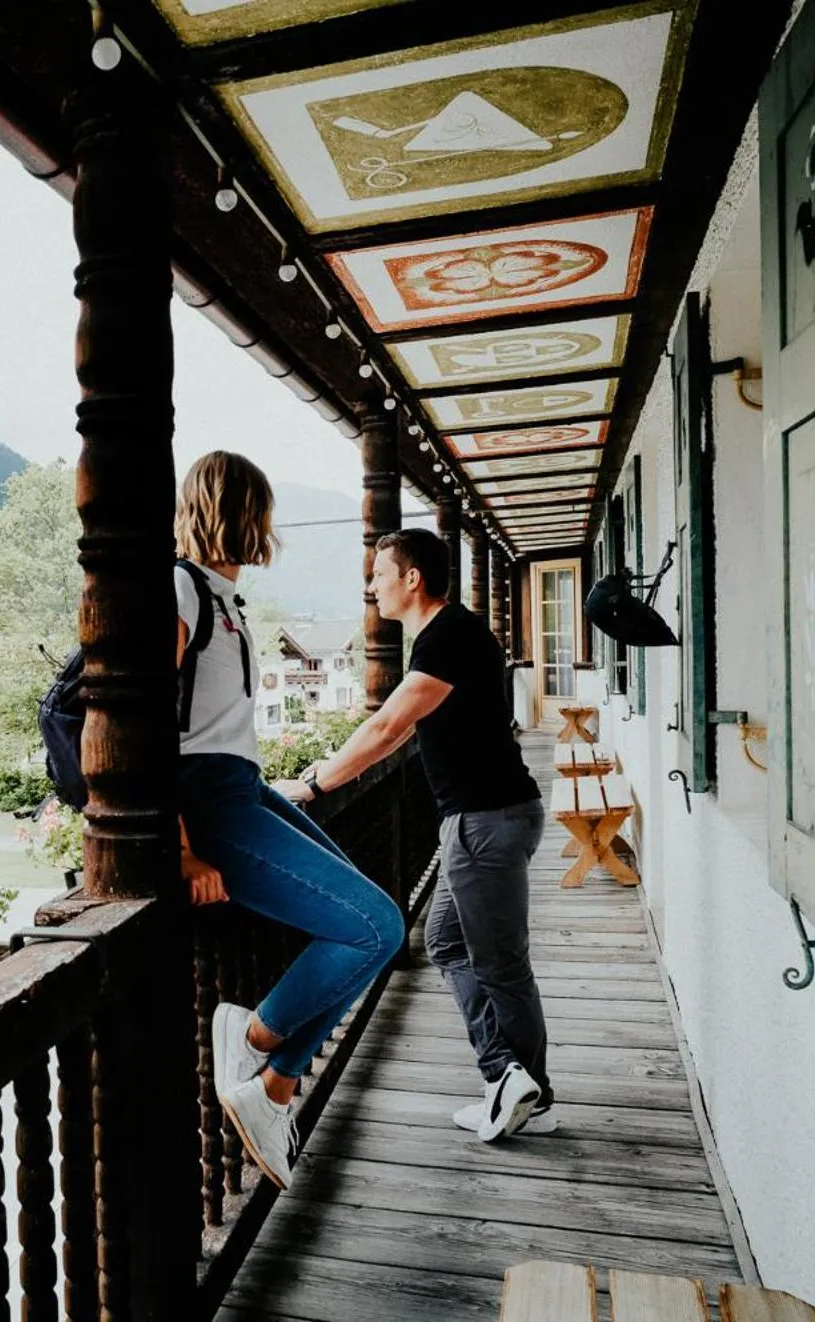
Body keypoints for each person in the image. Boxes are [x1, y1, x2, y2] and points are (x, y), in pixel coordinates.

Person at [175, 451, 405, 1191]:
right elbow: (138, 722)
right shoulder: (177, 590)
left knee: (367, 919)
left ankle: (271, 1085)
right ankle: (254, 1047)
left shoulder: (217, 597)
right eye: (263, 512)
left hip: (236, 786)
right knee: (374, 926)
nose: (268, 527)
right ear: (242, 512)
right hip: (203, 801)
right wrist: (180, 849)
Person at [274, 528, 550, 1142]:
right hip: (485, 820)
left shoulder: (447, 637)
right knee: (450, 945)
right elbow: (399, 731)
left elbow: (386, 726)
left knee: (500, 964)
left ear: (411, 578)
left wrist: (315, 787)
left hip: (485, 822)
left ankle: (512, 1079)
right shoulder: (447, 636)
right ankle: (517, 1084)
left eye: (378, 574)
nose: (371, 586)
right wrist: (324, 771)